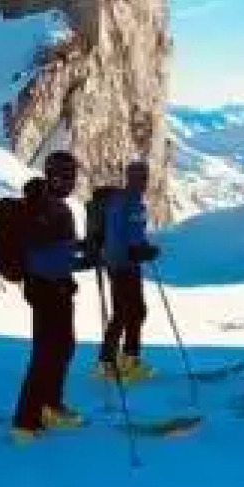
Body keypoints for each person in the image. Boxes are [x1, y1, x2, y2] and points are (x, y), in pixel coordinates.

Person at [9, 152, 95, 438]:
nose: (71, 181)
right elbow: (50, 254)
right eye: (66, 176)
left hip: (52, 287)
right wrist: (86, 258)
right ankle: (25, 422)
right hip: (49, 289)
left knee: (62, 347)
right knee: (47, 353)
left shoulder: (52, 206)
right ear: (53, 175)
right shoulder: (48, 209)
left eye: (73, 175)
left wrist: (82, 250)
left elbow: (57, 248)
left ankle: (50, 405)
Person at [85, 160, 158, 381]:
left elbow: (135, 234)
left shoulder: (138, 204)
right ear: (129, 177)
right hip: (120, 266)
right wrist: (129, 255)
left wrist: (145, 249)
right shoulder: (120, 202)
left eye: (144, 176)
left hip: (131, 265)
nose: (142, 181)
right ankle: (106, 363)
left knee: (137, 311)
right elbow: (115, 238)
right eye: (137, 176)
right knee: (123, 313)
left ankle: (129, 360)